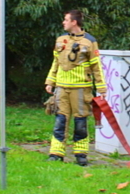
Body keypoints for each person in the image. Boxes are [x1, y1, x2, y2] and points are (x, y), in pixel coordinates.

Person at [44, 10, 106, 166]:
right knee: (60, 121)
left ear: (74, 22)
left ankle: (81, 154)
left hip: (81, 89)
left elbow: (96, 66)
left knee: (80, 122)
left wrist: (101, 88)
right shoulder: (61, 40)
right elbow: (56, 62)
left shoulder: (90, 41)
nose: (63, 23)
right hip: (62, 88)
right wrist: (50, 81)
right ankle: (56, 153)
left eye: (66, 20)